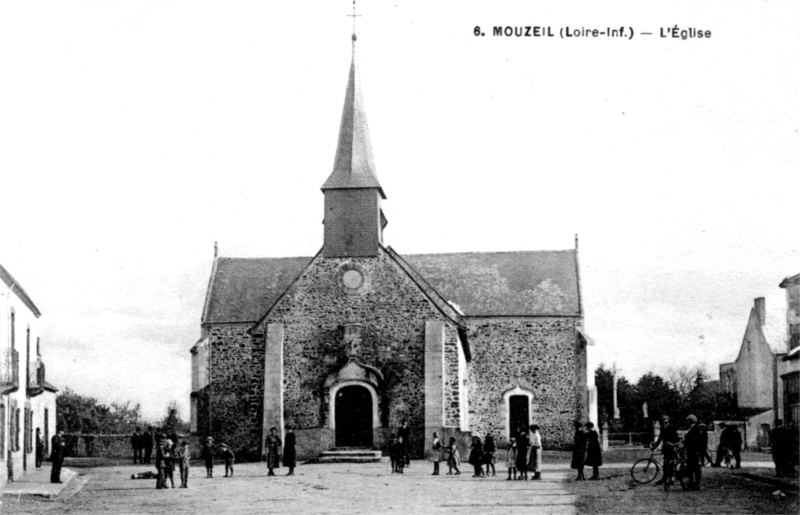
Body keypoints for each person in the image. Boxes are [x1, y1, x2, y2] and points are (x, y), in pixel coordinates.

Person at [651, 415, 680, 486]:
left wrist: (671, 443)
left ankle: (672, 479)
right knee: (665, 464)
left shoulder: (672, 428)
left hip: (672, 447)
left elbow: (676, 437)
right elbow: (660, 438)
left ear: (668, 421)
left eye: (666, 421)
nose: (664, 423)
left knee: (671, 464)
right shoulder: (663, 429)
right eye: (663, 421)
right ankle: (664, 478)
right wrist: (655, 446)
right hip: (666, 449)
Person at [683, 415, 703, 490]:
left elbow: (695, 440)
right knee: (692, 468)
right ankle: (692, 484)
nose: (687, 422)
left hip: (693, 451)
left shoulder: (695, 429)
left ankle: (696, 484)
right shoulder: (692, 428)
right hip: (691, 451)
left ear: (691, 421)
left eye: (688, 421)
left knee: (694, 469)